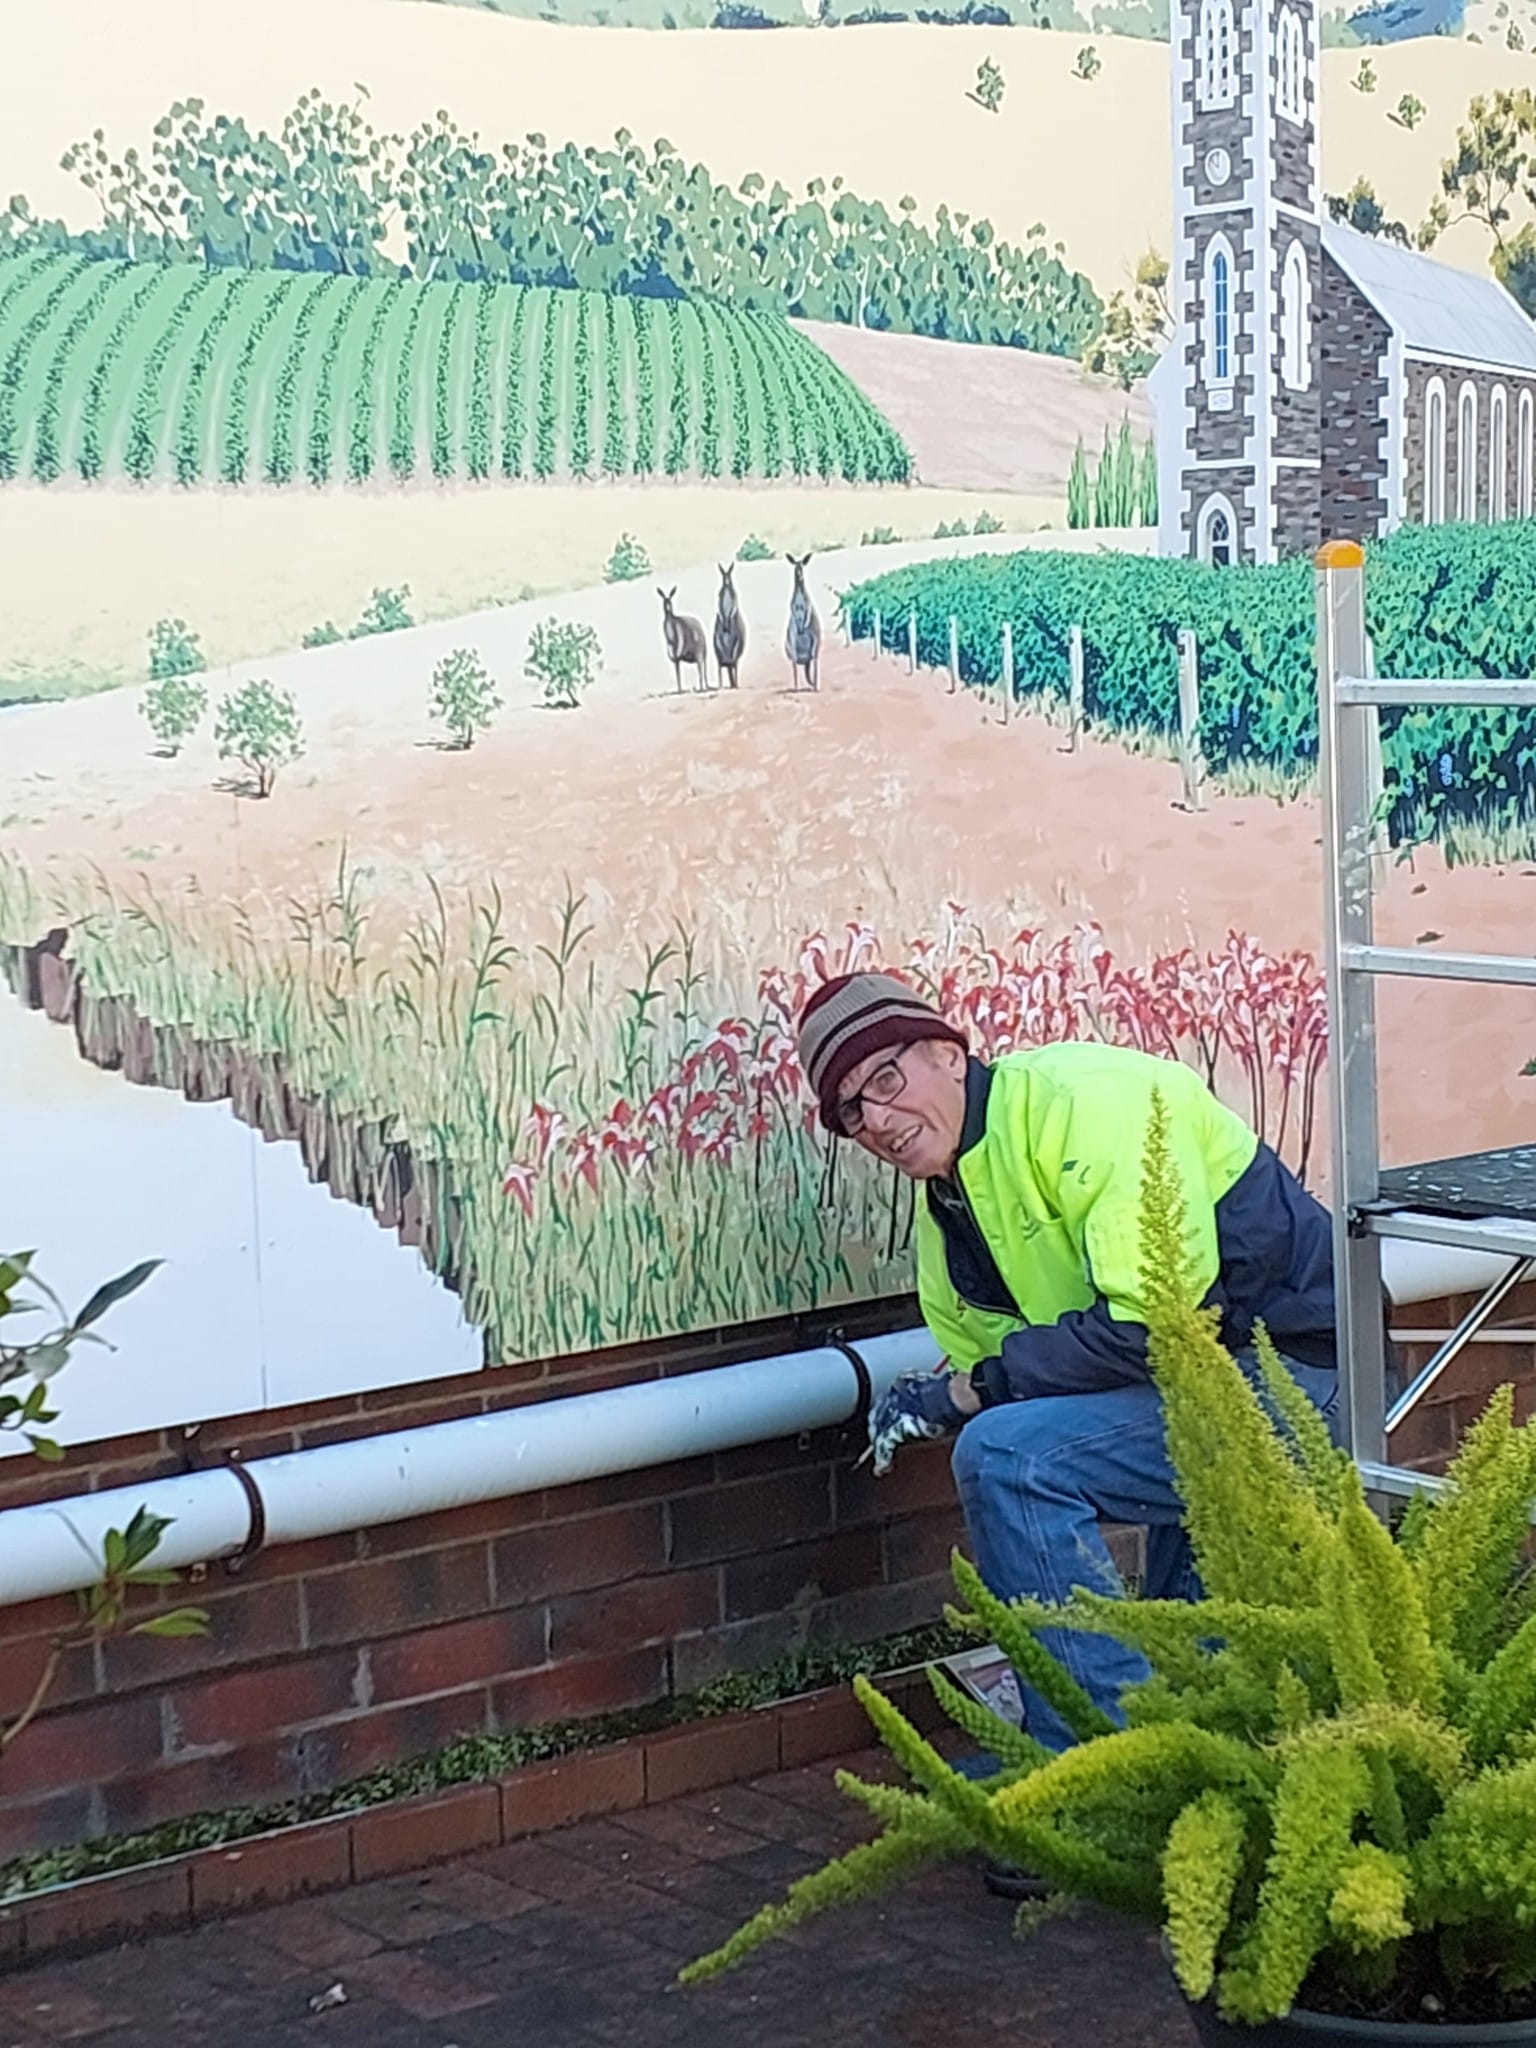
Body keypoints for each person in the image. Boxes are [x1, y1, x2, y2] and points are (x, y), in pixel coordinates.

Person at [795, 971, 1339, 1797]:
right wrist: (970, 1386)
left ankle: (1097, 1767)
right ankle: (1163, 1761)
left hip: (1299, 1376)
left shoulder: (1084, 1103)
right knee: (1198, 1678)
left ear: (949, 1053)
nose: (876, 1119)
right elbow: (1018, 1372)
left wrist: (966, 1396)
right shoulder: (949, 1213)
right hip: (1200, 1386)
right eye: (850, 1112)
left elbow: (1162, 1323)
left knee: (1008, 1460)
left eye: (886, 1078)